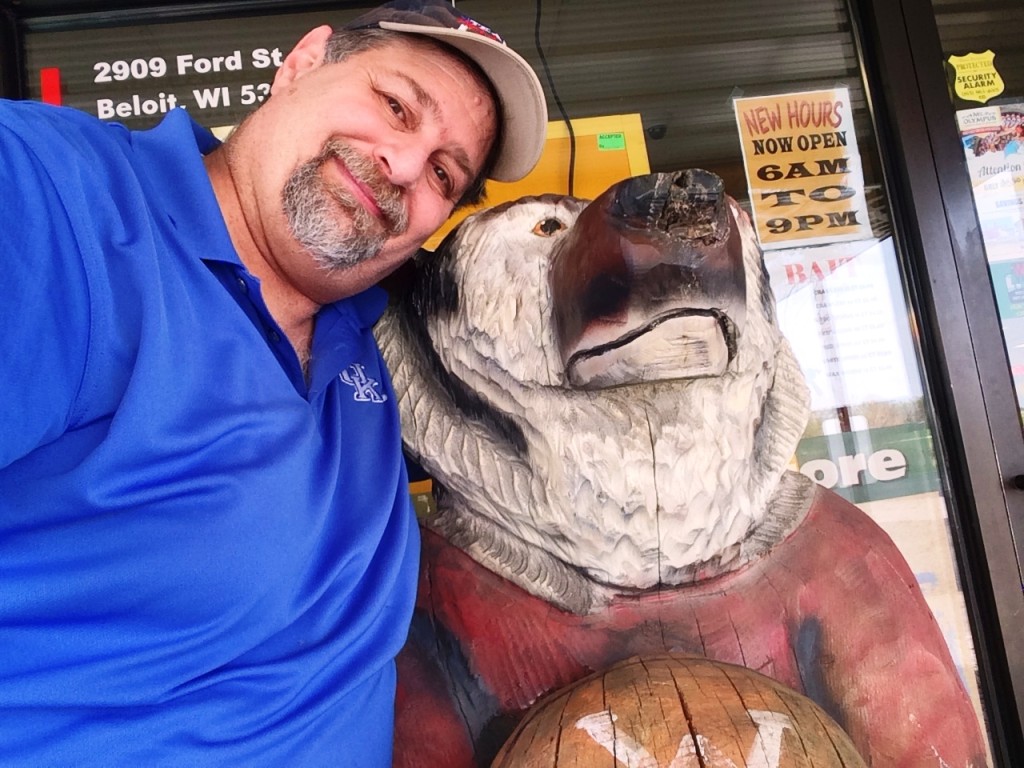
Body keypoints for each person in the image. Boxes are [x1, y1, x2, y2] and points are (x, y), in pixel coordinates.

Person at [0, 1, 547, 765]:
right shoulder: (58, 200)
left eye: (444, 173)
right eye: (395, 106)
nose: (401, 166)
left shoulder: (378, 341)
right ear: (301, 63)